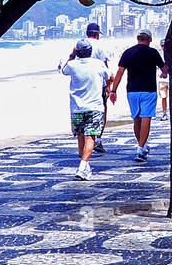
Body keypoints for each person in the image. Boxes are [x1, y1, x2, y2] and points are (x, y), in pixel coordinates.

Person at [109, 30, 166, 162]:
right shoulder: (153, 52)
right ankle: (140, 148)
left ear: (138, 38)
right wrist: (163, 74)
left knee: (136, 118)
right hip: (148, 90)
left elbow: (120, 72)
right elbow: (164, 69)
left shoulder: (128, 52)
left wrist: (113, 90)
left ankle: (142, 145)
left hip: (132, 91)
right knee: (146, 118)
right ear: (149, 40)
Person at [60, 40, 110, 180]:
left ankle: (84, 165)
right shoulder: (98, 64)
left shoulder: (72, 65)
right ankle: (83, 165)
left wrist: (72, 54)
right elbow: (109, 76)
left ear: (78, 52)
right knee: (91, 136)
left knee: (81, 135)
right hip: (94, 107)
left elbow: (63, 70)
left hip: (77, 107)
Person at [80, 23, 114, 153]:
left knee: (83, 109)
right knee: (101, 110)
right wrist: (108, 86)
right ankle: (97, 139)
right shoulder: (101, 46)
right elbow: (105, 66)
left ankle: (83, 141)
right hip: (98, 83)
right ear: (97, 34)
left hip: (83, 82)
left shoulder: (80, 43)